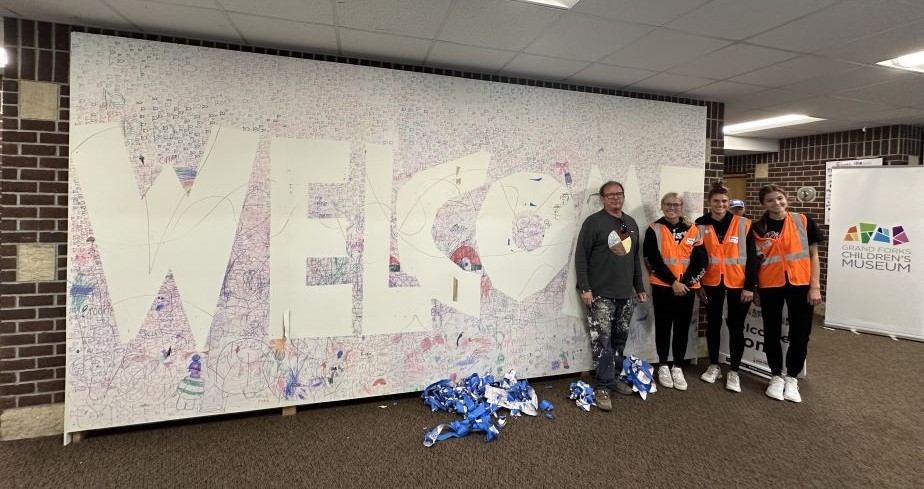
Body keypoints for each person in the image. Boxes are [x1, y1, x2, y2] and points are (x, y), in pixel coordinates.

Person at [574, 180, 648, 411]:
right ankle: (603, 386)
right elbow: (581, 257)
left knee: (619, 340)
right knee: (602, 342)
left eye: (619, 194)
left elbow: (634, 259)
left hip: (625, 295)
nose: (615, 198)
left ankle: (614, 378)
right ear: (602, 198)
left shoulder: (631, 223)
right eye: (610, 195)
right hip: (600, 295)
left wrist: (640, 288)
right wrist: (585, 288)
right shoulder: (593, 222)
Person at [746, 184, 822, 403]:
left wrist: (815, 286)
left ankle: (792, 377)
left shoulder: (803, 221)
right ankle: (776, 376)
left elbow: (814, 256)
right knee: (771, 331)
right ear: (763, 204)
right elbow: (755, 261)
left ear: (785, 198)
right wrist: (755, 288)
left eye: (779, 198)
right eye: (770, 200)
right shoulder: (757, 227)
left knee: (801, 333)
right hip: (770, 284)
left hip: (800, 283)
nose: (776, 203)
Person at [694, 183, 753, 393]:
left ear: (728, 203)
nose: (720, 204)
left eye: (724, 201)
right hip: (710, 283)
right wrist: (697, 283)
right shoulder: (700, 224)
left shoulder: (744, 224)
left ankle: (734, 371)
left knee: (736, 326)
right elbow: (696, 257)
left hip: (738, 284)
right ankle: (714, 365)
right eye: (716, 201)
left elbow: (753, 258)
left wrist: (750, 286)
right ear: (708, 202)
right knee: (713, 324)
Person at [644, 192, 706, 391]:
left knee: (682, 327)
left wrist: (685, 282)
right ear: (662, 206)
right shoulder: (654, 228)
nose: (672, 207)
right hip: (663, 287)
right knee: (663, 327)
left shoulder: (694, 229)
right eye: (668, 204)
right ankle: (663, 365)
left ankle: (677, 366)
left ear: (681, 206)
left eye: (676, 204)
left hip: (687, 288)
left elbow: (701, 261)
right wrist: (673, 282)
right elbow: (653, 260)